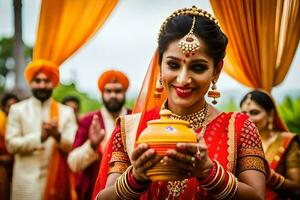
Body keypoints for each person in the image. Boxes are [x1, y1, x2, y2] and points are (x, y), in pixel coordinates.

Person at [95, 6, 267, 200]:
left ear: (217, 70)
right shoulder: (129, 128)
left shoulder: (240, 128)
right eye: (173, 65)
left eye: (198, 67)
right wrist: (135, 178)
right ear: (160, 65)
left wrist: (209, 172)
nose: (183, 79)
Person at [5, 60, 78, 200]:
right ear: (30, 83)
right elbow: (11, 145)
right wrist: (40, 137)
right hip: (25, 185)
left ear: (54, 83)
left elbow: (74, 146)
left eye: (47, 81)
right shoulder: (17, 110)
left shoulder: (66, 112)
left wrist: (57, 136)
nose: (42, 85)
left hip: (57, 183)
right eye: (37, 81)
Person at [67, 70, 132, 200]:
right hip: (93, 192)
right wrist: (92, 145)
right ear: (102, 94)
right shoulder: (89, 120)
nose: (113, 95)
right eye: (108, 91)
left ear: (125, 93)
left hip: (128, 191)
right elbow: (73, 163)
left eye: (118, 91)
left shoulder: (134, 118)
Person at [240, 89, 300, 199]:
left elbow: (297, 188)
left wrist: (271, 177)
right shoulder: (238, 142)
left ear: (270, 114)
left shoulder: (287, 141)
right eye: (243, 113)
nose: (248, 118)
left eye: (254, 112)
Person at [0, 93, 19, 200]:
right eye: (10, 107)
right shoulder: (1, 122)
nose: (13, 110)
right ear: (3, 108)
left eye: (16, 107)